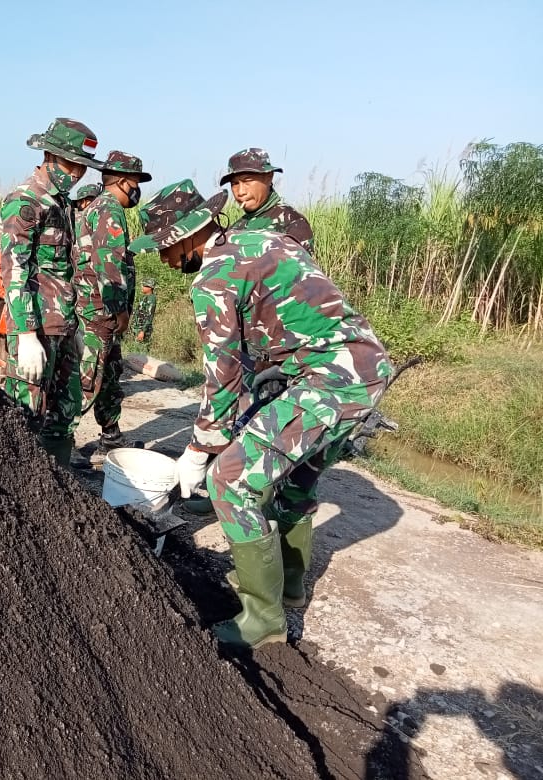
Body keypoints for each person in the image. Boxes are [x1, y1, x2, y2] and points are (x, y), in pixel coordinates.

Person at [130, 179, 393, 650]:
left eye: (166, 248)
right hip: (363, 366)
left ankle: (263, 619)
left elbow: (223, 373)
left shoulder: (214, 276)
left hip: (331, 379)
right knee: (293, 479)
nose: (164, 260)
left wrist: (200, 447)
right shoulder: (265, 238)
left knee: (230, 480)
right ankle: (289, 587)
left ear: (188, 235)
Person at [1, 117, 103, 466]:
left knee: (65, 412)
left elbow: (65, 269)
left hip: (62, 325)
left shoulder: (63, 204)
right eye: (70, 163)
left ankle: (58, 491)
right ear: (49, 155)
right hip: (36, 326)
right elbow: (15, 269)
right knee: (25, 413)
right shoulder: (27, 201)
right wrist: (27, 334)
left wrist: (73, 327)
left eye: (82, 167)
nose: (76, 173)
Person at [72, 151, 150, 463]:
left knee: (109, 373)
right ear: (121, 181)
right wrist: (120, 310)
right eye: (135, 181)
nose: (136, 188)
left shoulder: (98, 208)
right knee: (89, 377)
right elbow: (110, 265)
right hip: (100, 311)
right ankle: (59, 441)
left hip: (96, 308)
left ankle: (111, 436)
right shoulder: (109, 210)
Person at [220, 148, 314, 253]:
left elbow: (298, 267)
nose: (241, 192)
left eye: (247, 181)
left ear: (269, 177)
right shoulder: (236, 229)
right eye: (235, 184)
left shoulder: (291, 222)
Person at [132, 278, 157, 343]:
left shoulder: (151, 299)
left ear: (150, 288)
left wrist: (143, 331)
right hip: (138, 329)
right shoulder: (145, 297)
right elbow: (139, 312)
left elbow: (149, 316)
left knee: (141, 351)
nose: (142, 287)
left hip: (143, 330)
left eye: (144, 285)